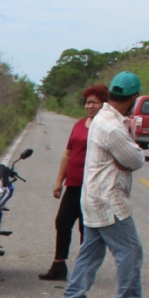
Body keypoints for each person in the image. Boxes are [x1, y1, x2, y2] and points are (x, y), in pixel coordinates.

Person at [57, 72, 149, 298]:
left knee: (90, 253)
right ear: (134, 97)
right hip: (108, 198)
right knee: (130, 251)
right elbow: (136, 160)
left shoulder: (102, 118)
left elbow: (129, 157)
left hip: (93, 195)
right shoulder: (113, 127)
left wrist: (127, 153)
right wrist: (131, 151)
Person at [42, 84, 108, 281]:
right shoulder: (79, 125)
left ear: (104, 104)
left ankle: (84, 268)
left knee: (86, 228)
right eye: (87, 102)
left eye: (94, 102)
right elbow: (67, 154)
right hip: (73, 184)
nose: (90, 106)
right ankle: (59, 265)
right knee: (62, 222)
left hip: (93, 186)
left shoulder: (106, 127)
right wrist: (58, 181)